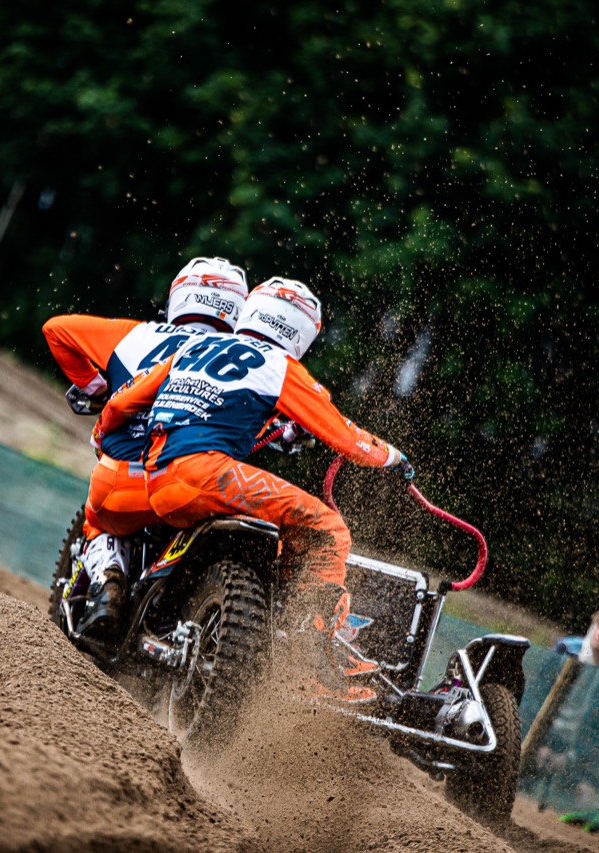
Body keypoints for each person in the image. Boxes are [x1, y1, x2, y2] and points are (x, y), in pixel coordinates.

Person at [92, 277, 413, 700]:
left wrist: (102, 434)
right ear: (300, 333)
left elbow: (119, 403)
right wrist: (393, 458)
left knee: (269, 525)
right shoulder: (281, 366)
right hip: (207, 474)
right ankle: (312, 659)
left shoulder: (195, 347)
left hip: (154, 477)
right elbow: (344, 436)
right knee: (327, 528)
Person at [42, 257, 249, 636]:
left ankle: (109, 580)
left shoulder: (137, 335)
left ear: (179, 297)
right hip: (200, 486)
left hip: (130, 480)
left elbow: (56, 329)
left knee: (100, 515)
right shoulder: (246, 358)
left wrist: (96, 387)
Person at [530, 603, 599, 841]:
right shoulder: (565, 649)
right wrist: (537, 743)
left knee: (589, 799)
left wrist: (571, 758)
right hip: (538, 739)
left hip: (576, 756)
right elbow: (535, 697)